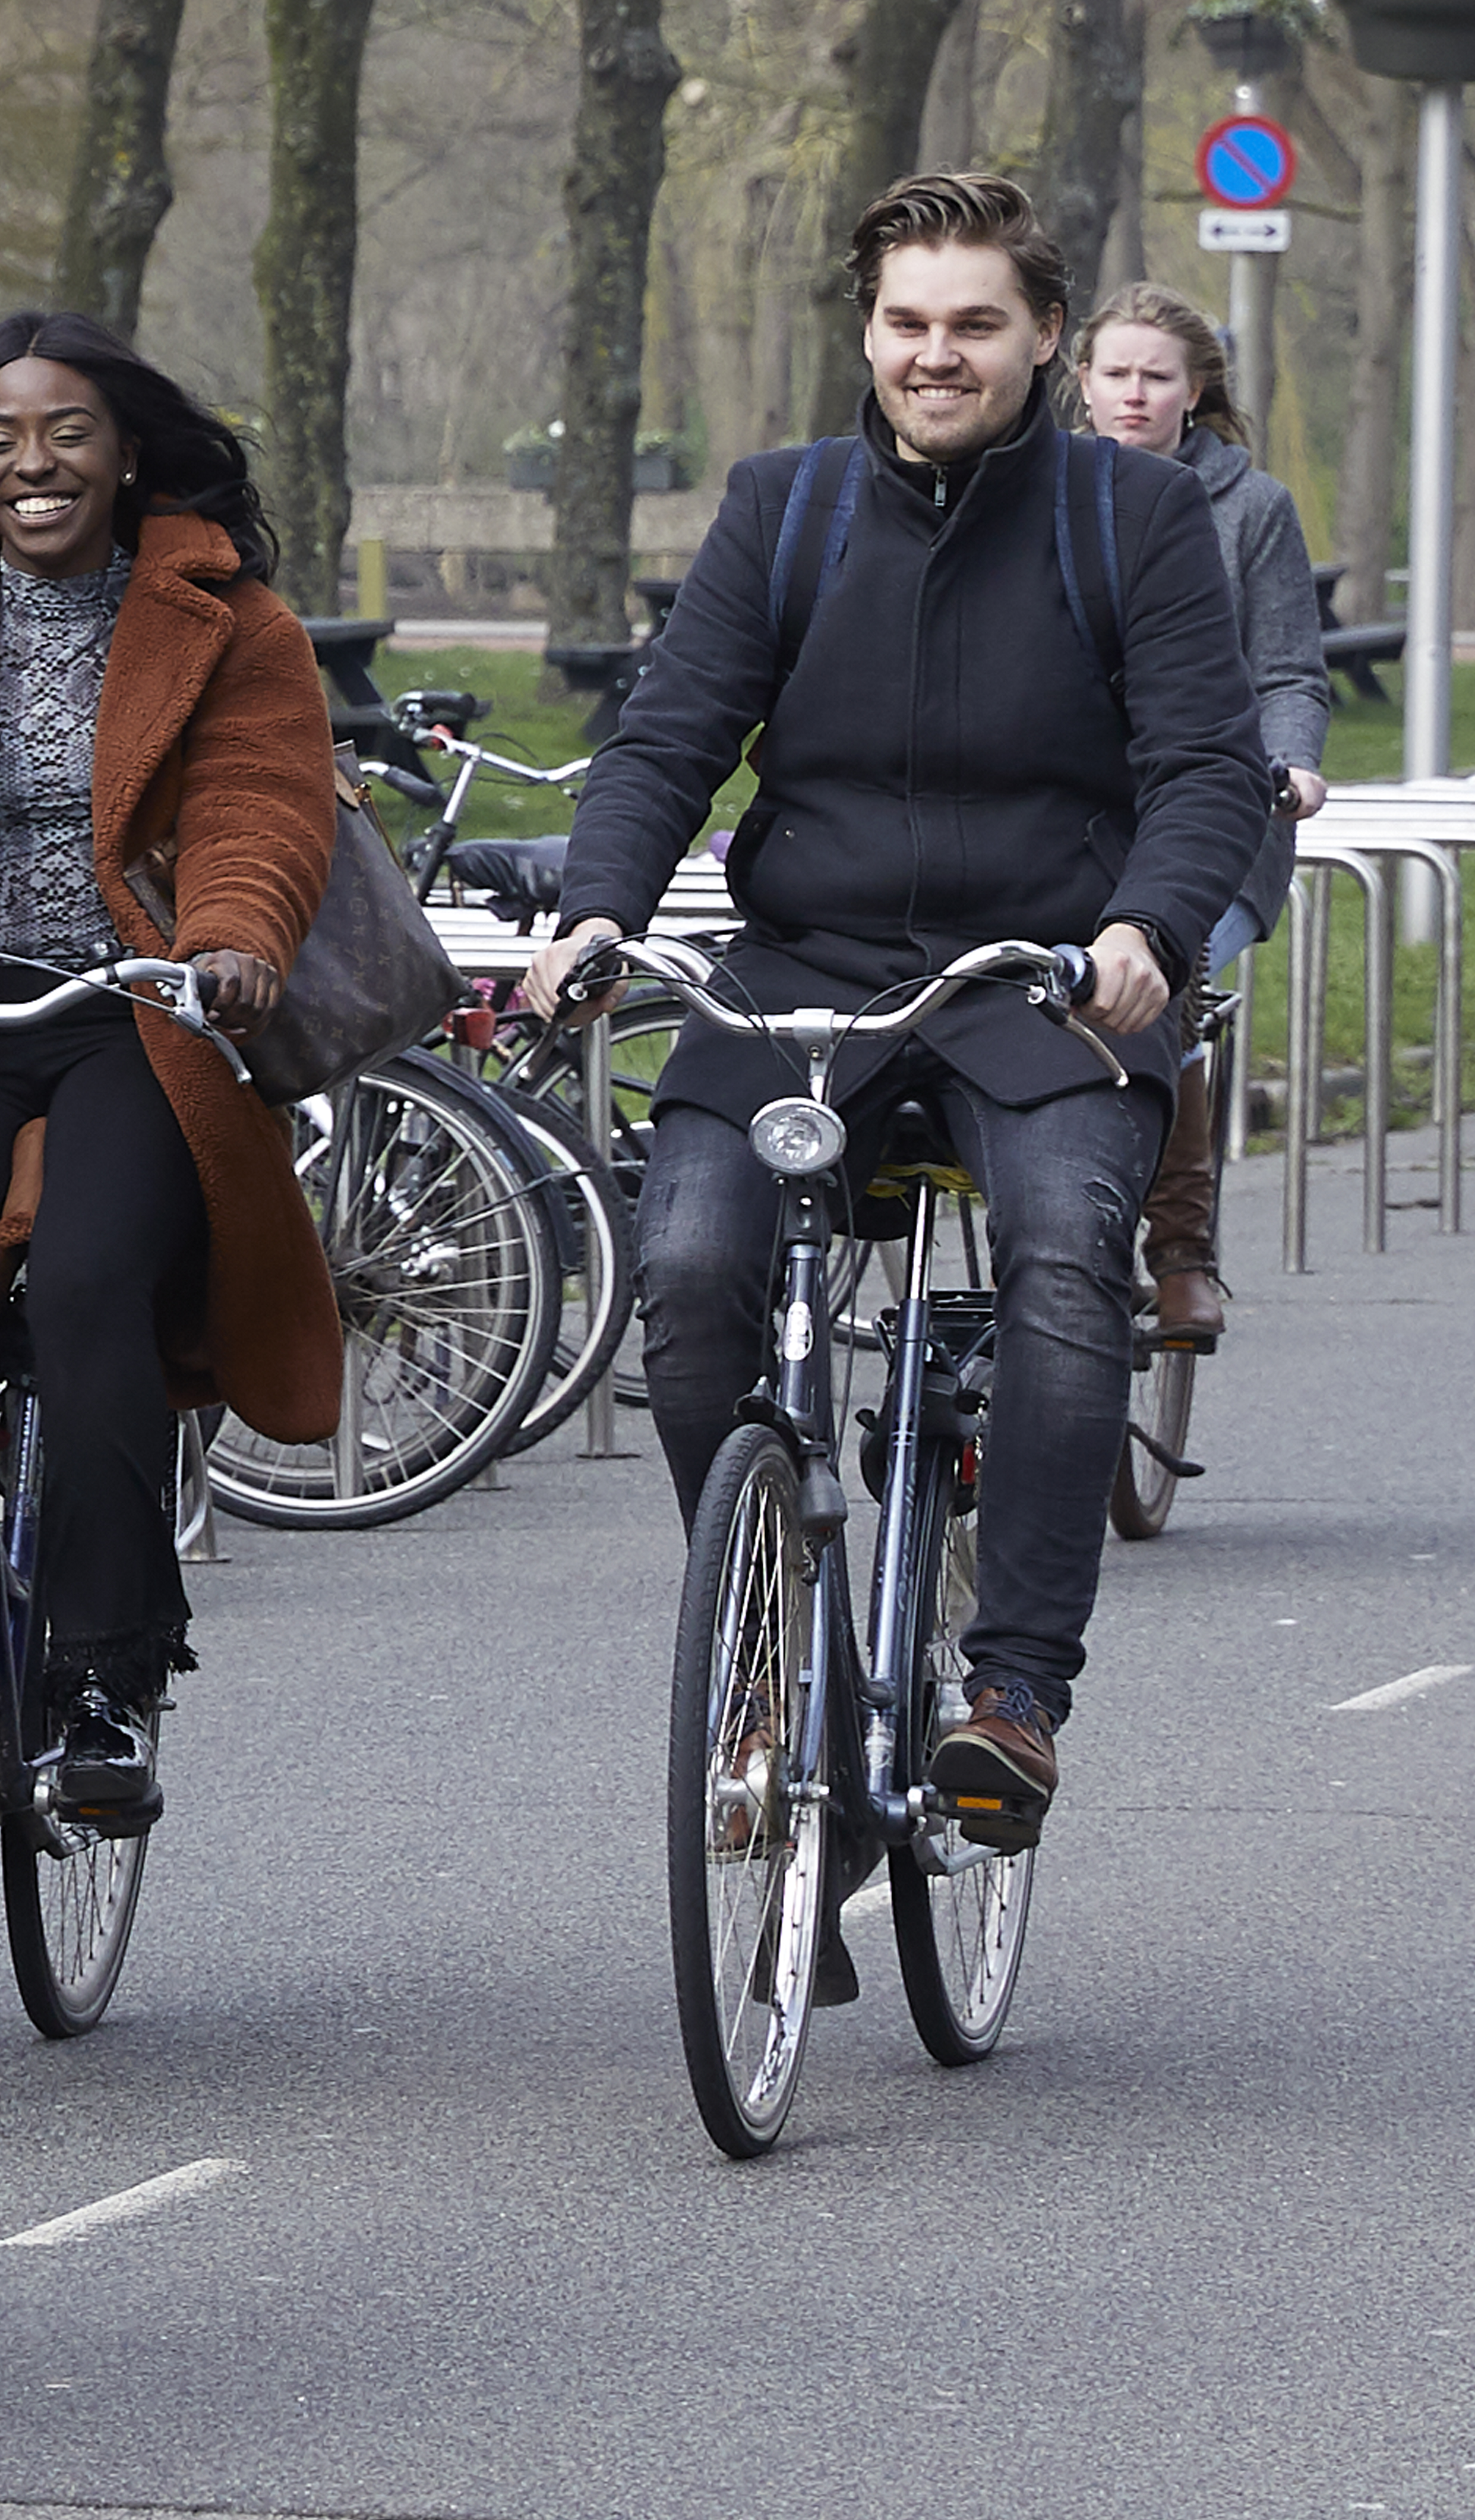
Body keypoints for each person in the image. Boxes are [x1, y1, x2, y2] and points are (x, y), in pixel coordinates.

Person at [526, 174, 1269, 1865]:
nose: (937, 357)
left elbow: (1208, 765)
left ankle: (1009, 1689)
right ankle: (772, 1649)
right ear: (869, 331)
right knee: (691, 1269)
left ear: (1048, 339)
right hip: (807, 970)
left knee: (1069, 1255)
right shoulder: (784, 509)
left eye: (975, 326)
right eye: (907, 324)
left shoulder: (1128, 521)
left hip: (1052, 976)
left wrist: (1148, 927)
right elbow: (670, 733)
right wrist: (598, 914)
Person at [0, 311, 340, 1837]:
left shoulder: (225, 617)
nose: (33, 465)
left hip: (134, 1007)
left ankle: (107, 1677)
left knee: (87, 1288)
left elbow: (260, 800)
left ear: (124, 452)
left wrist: (234, 940)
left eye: (65, 435)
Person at [1078, 280, 1331, 1348]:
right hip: (1075, 812)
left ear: (1195, 392)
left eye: (1156, 377)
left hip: (1216, 815)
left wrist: (1290, 765)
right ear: (1078, 383)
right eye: (1115, 374)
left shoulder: (1250, 508)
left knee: (1166, 973)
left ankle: (1180, 1254)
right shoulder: (1038, 493)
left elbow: (1286, 672)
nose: (1133, 396)